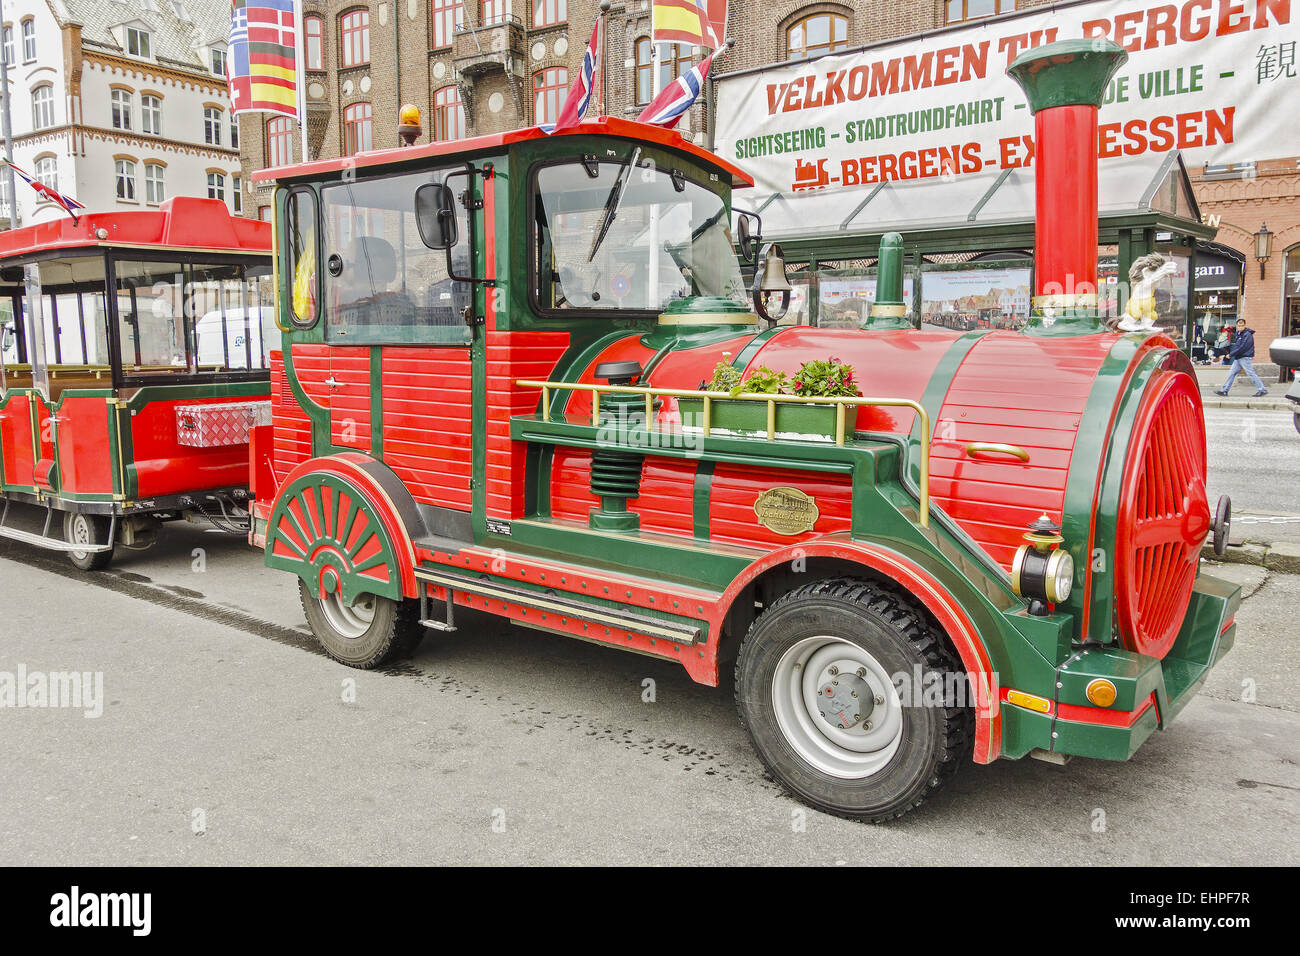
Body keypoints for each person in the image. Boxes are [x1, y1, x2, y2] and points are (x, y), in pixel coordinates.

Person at [1214, 318, 1268, 397]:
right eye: (1239, 326)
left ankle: (1262, 389)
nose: (1240, 327)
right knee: (1231, 373)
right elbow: (1238, 346)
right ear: (1237, 326)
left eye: (1242, 326)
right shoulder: (1239, 334)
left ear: (1245, 325)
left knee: (1251, 373)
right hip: (1239, 357)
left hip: (1245, 357)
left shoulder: (1247, 334)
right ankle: (1224, 390)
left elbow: (1242, 347)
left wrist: (1231, 354)